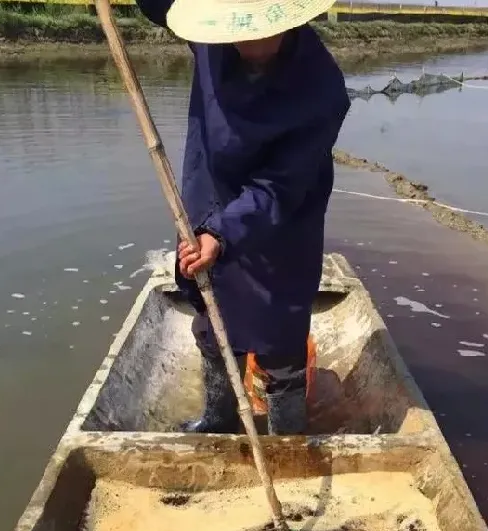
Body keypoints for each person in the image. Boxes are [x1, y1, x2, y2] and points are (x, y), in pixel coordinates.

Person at [135, 0, 350, 435]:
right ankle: (218, 419)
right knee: (212, 314)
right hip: (209, 197)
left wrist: (224, 231)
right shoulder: (211, 35)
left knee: (280, 329)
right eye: (238, 30)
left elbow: (280, 186)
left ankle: (285, 435)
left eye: (260, 31)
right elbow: (163, 5)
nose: (248, 42)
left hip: (281, 217)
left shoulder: (321, 88)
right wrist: (210, 229)